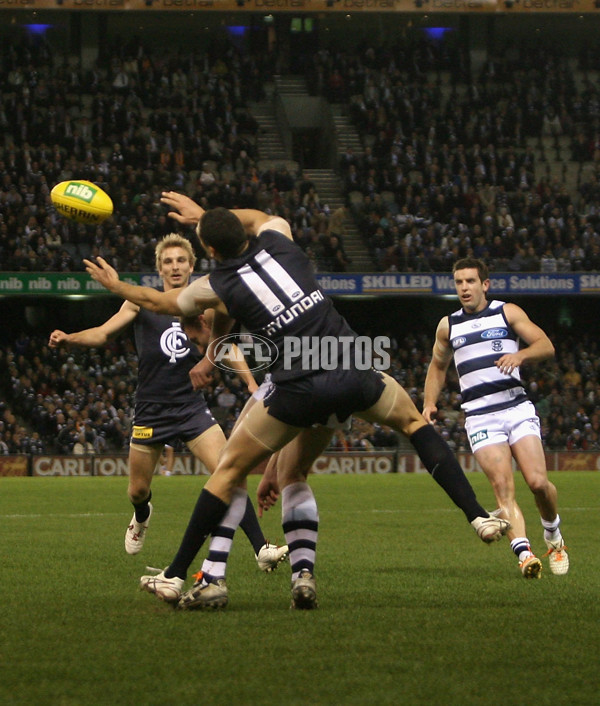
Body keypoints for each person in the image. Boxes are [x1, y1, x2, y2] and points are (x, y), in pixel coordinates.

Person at [83, 194, 510, 611]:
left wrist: (114, 284)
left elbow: (160, 302)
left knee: (229, 470)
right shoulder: (281, 239)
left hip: (298, 387)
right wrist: (206, 215)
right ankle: (477, 515)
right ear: (244, 229)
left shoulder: (217, 285)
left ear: (209, 250)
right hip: (353, 366)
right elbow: (262, 217)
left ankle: (177, 576)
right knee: (415, 425)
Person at [50, 232, 288, 580]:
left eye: (181, 261)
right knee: (137, 490)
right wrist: (69, 339)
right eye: (168, 262)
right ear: (159, 268)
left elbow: (225, 346)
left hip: (191, 408)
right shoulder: (141, 302)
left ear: (191, 266)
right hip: (151, 409)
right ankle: (142, 515)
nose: (175, 267)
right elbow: (103, 334)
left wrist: (251, 382)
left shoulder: (205, 305)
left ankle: (261, 549)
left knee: (229, 473)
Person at [423, 257, 569, 579]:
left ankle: (553, 535)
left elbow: (546, 345)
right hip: (479, 416)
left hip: (516, 407)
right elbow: (437, 365)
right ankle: (524, 554)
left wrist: (520, 354)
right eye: (459, 282)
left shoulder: (507, 312)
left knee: (538, 483)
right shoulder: (448, 326)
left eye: (470, 281)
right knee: (502, 488)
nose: (464, 287)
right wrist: (429, 403)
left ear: (485, 284)